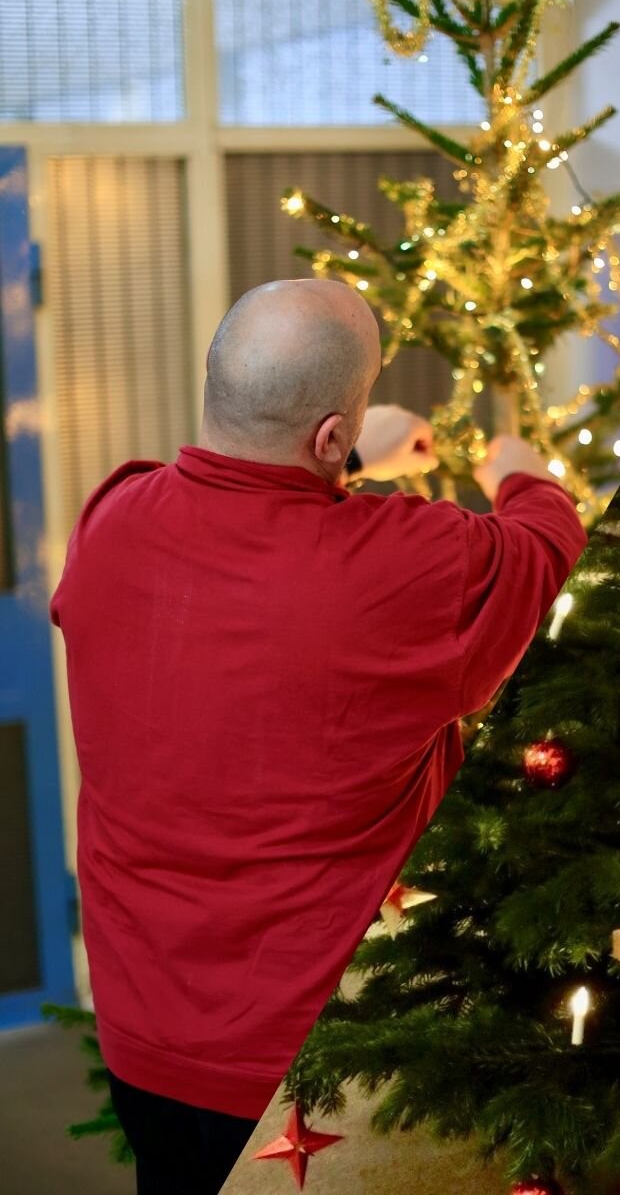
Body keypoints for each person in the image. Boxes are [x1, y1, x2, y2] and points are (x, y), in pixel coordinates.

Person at [51, 279, 587, 1195]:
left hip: (144, 1040)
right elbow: (547, 543)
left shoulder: (111, 520)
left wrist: (346, 455)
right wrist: (518, 469)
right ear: (332, 435)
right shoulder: (413, 561)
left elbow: (245, 525)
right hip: (310, 1068)